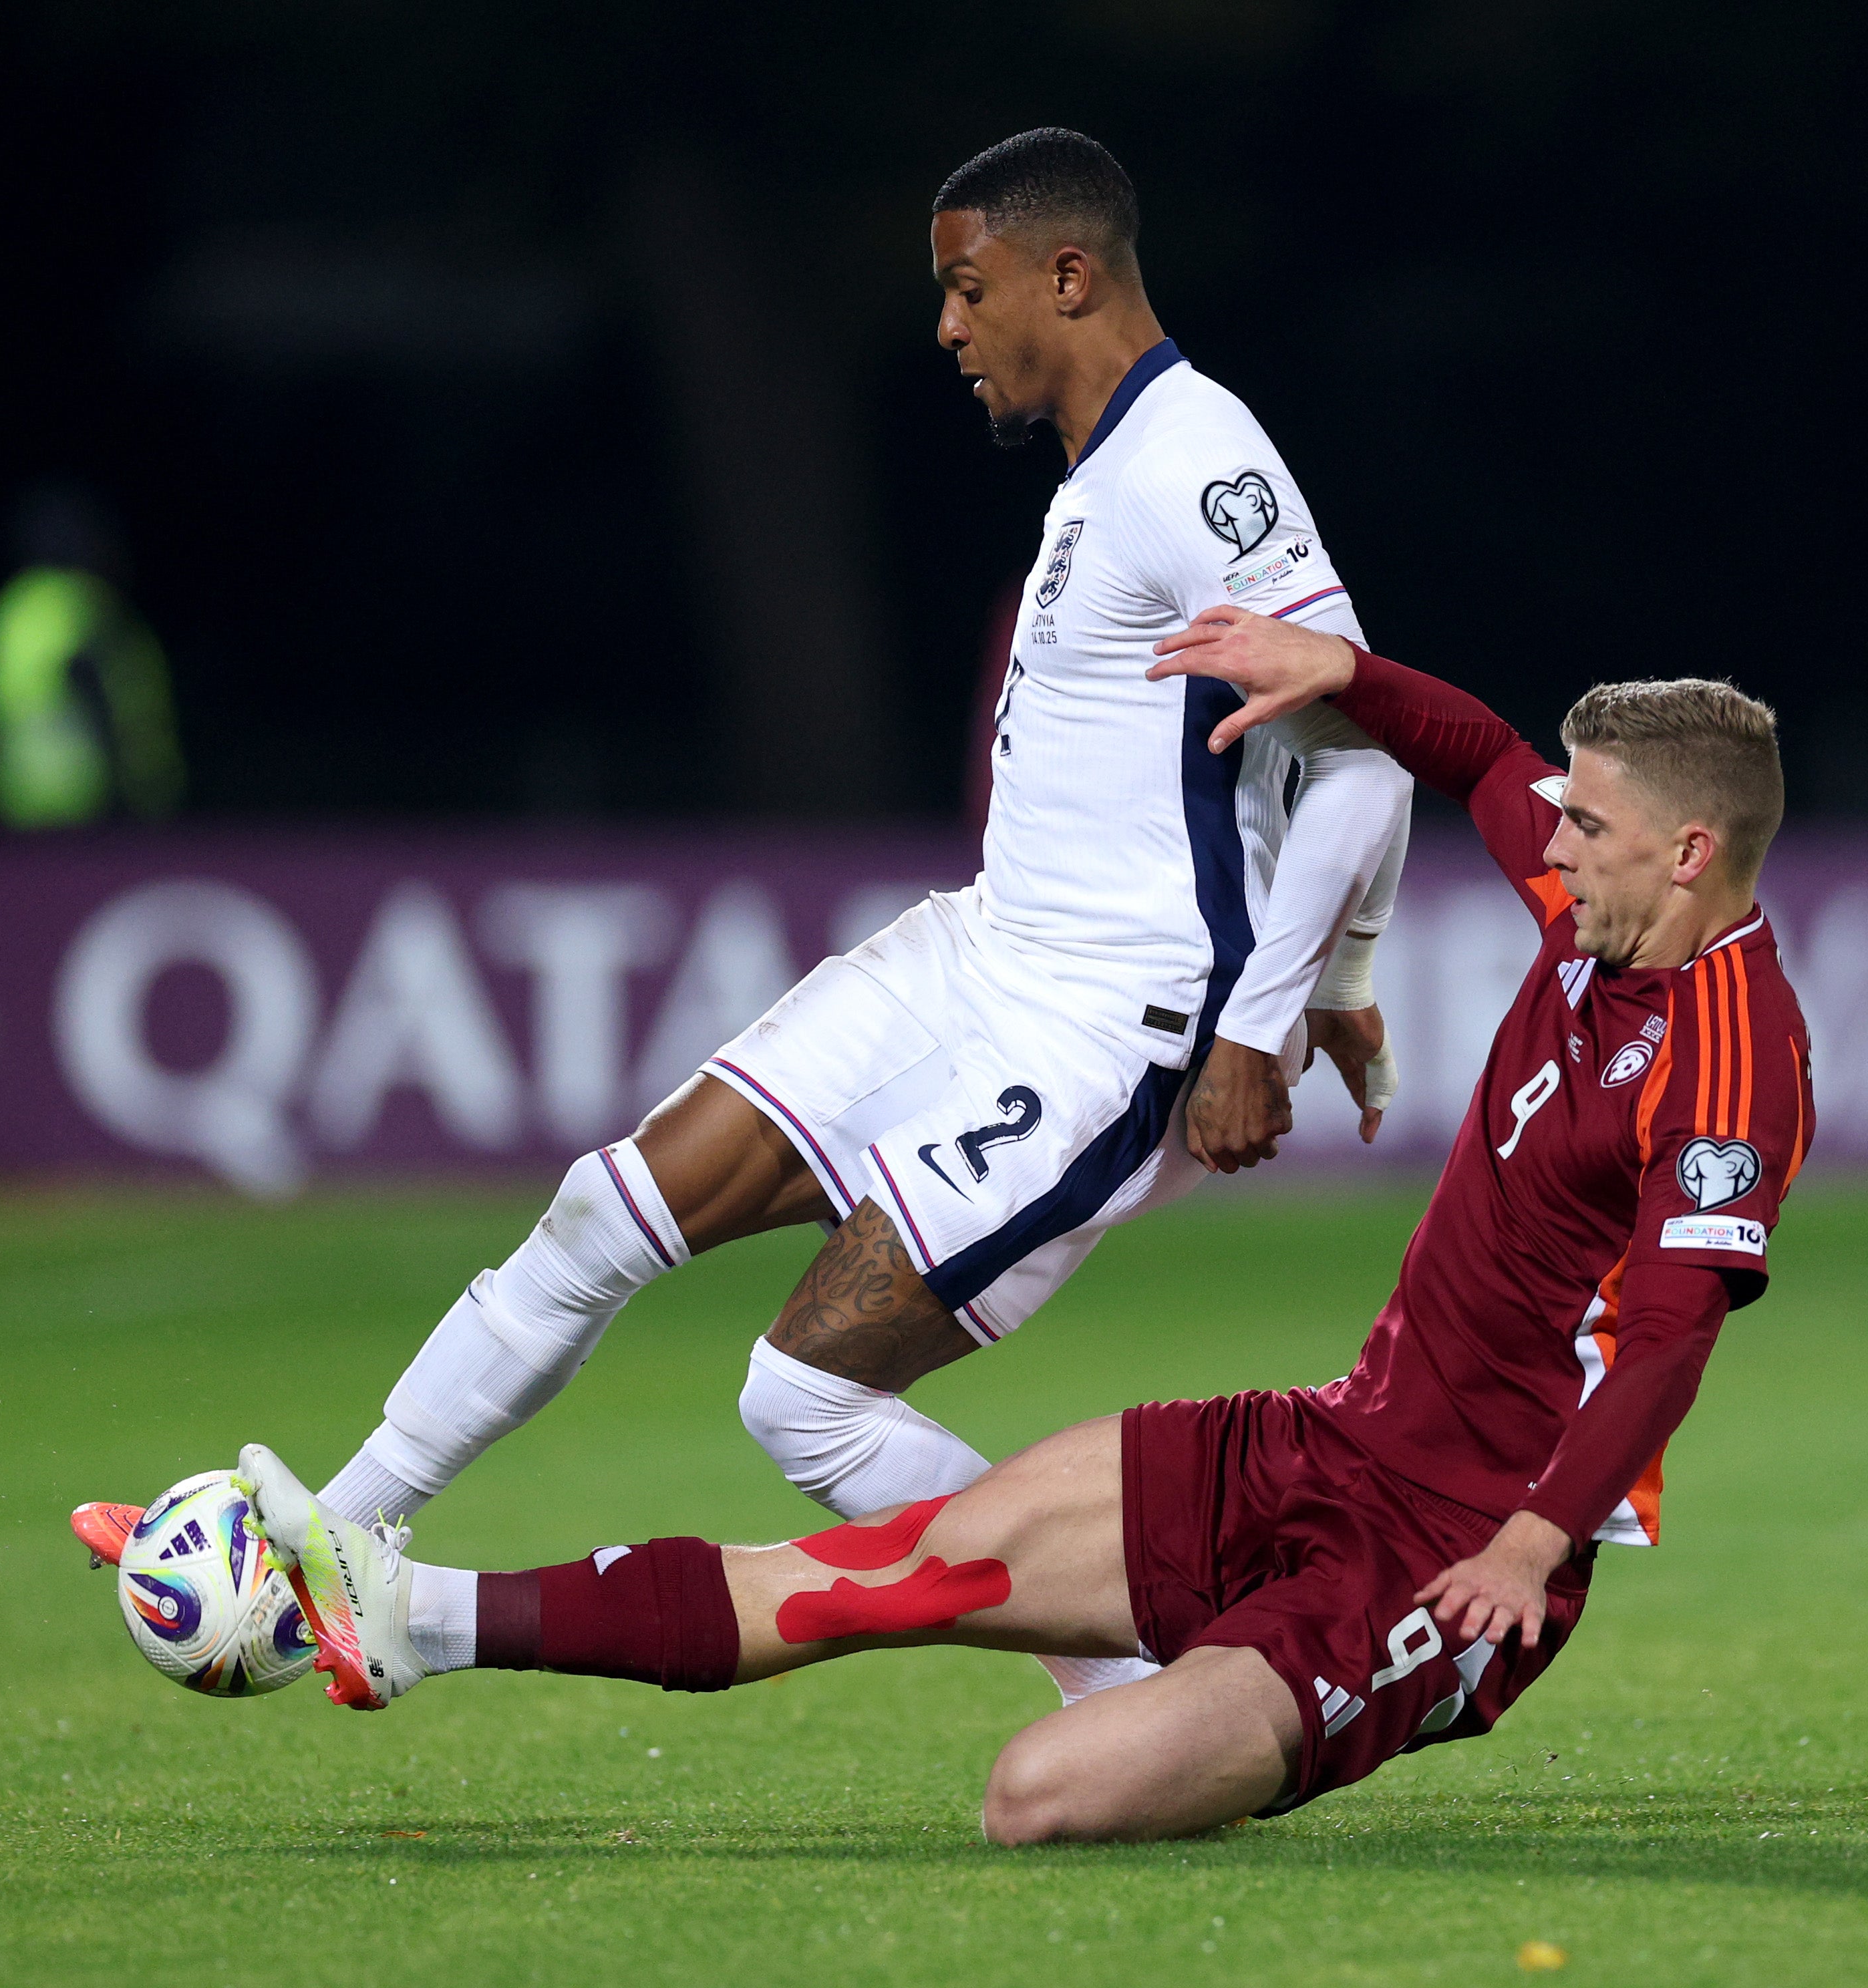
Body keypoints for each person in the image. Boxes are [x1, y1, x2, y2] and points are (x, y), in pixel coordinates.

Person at [73, 130, 1411, 1709]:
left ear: (1069, 275)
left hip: (1107, 1030)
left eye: (965, 287)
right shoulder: (1103, 471)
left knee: (804, 1401)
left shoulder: (1196, 456)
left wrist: (1280, 1005)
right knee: (602, 1210)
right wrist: (1333, 971)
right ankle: (342, 1542)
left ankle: (1118, 1672)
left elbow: (1365, 748)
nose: (945, 326)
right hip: (978, 954)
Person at [224, 628, 1815, 1845]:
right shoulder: (1582, 918)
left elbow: (1671, 1330)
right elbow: (1463, 746)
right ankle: (417, 1614)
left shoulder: (1732, 1052)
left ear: (1687, 855)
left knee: (1035, 1797)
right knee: (887, 1576)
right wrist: (1338, 670)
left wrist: (1532, 1548)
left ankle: (1226, 1711)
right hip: (1326, 1443)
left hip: (1451, 1560)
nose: (1553, 841)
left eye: (1589, 826)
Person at [0, 483, 184, 828]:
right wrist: (127, 787)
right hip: (92, 801)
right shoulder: (76, 603)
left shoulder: (6, 616)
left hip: (20, 798)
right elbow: (91, 688)